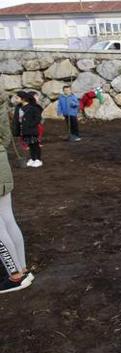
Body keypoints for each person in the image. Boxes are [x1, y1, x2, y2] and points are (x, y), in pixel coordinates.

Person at [0, 93, 34, 293]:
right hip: (2, 164)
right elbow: (5, 137)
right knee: (7, 218)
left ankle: (15, 276)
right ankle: (22, 269)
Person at [13, 91, 43, 168]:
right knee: (30, 144)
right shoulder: (19, 107)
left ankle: (38, 159)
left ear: (23, 99)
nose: (16, 99)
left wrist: (30, 125)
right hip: (24, 130)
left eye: (17, 98)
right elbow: (17, 119)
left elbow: (37, 118)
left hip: (32, 130)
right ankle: (33, 158)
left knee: (35, 144)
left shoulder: (33, 108)